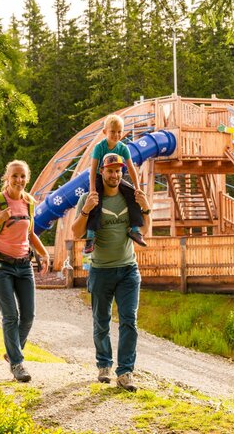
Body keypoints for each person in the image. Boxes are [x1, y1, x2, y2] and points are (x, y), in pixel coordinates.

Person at [72, 152, 152, 392]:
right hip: (100, 270)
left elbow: (145, 230)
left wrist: (146, 208)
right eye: (110, 170)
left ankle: (125, 372)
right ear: (102, 172)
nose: (115, 174)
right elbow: (77, 233)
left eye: (118, 170)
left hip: (128, 269)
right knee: (101, 322)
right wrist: (86, 210)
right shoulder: (90, 197)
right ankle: (104, 365)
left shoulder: (130, 197)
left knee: (129, 321)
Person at [0, 160, 49, 383]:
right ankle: (18, 363)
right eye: (14, 176)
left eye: (22, 176)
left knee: (28, 316)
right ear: (6, 178)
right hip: (0, 266)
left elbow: (30, 233)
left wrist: (44, 254)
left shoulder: (29, 202)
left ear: (27, 178)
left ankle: (11, 354)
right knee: (11, 316)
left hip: (24, 265)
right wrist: (0, 218)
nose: (18, 180)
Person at [85, 114, 147, 254]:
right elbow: (93, 169)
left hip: (115, 177)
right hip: (101, 177)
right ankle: (90, 236)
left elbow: (131, 168)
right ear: (105, 132)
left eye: (119, 131)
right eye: (113, 131)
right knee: (96, 201)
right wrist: (93, 188)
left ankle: (136, 230)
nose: (116, 134)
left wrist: (137, 188)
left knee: (132, 193)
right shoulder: (99, 147)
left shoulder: (123, 147)